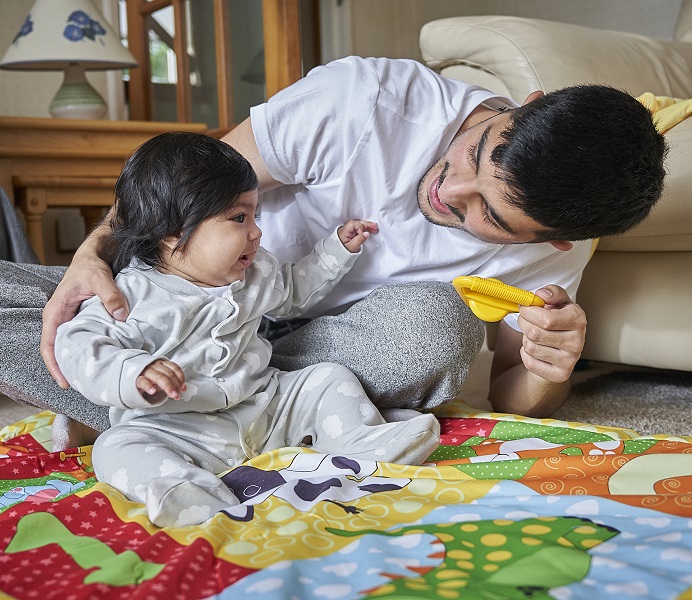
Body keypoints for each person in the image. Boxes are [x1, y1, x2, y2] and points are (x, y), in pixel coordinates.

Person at [0, 56, 666, 447]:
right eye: (477, 152)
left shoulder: (557, 250)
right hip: (190, 311)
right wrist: (92, 254)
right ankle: (212, 406)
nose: (446, 190)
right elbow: (177, 190)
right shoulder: (369, 99)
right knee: (47, 306)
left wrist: (552, 370)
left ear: (552, 238)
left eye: (484, 213)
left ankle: (181, 406)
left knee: (436, 331)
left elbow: (512, 398)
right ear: (527, 105)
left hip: (312, 358)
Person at [53, 132, 439, 528]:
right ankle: (185, 490)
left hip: (263, 407)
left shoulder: (255, 271)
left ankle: (359, 442)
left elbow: (293, 292)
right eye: (239, 218)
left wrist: (335, 251)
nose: (256, 232)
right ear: (172, 231)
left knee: (326, 378)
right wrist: (131, 370)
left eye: (256, 216)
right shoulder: (130, 293)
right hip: (177, 427)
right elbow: (77, 344)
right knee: (115, 446)